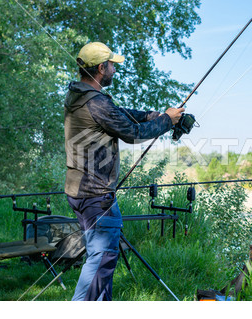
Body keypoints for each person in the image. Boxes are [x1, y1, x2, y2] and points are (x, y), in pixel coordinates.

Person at [64, 42, 184, 301]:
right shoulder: (95, 102)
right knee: (100, 259)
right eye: (111, 66)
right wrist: (167, 121)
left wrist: (159, 115)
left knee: (101, 259)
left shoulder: (79, 95)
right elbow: (133, 133)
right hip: (96, 195)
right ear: (100, 68)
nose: (114, 70)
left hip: (79, 191)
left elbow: (121, 114)